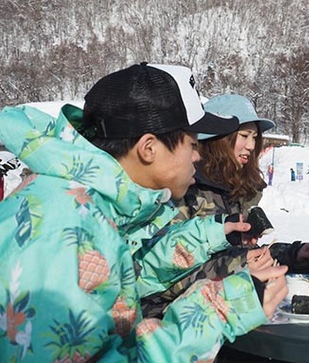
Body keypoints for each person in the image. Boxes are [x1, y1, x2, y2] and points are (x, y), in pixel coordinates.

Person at [0, 63, 288, 362]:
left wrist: (212, 235)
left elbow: (128, 276)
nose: (197, 155)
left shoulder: (89, 206)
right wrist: (216, 313)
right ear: (148, 148)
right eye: (191, 144)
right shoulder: (65, 230)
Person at [142, 94, 309, 319]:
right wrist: (241, 266)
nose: (252, 146)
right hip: (171, 323)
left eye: (255, 137)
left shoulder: (234, 189)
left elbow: (235, 254)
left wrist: (290, 253)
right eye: (244, 135)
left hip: (222, 312)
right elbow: (164, 274)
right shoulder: (183, 190)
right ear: (218, 139)